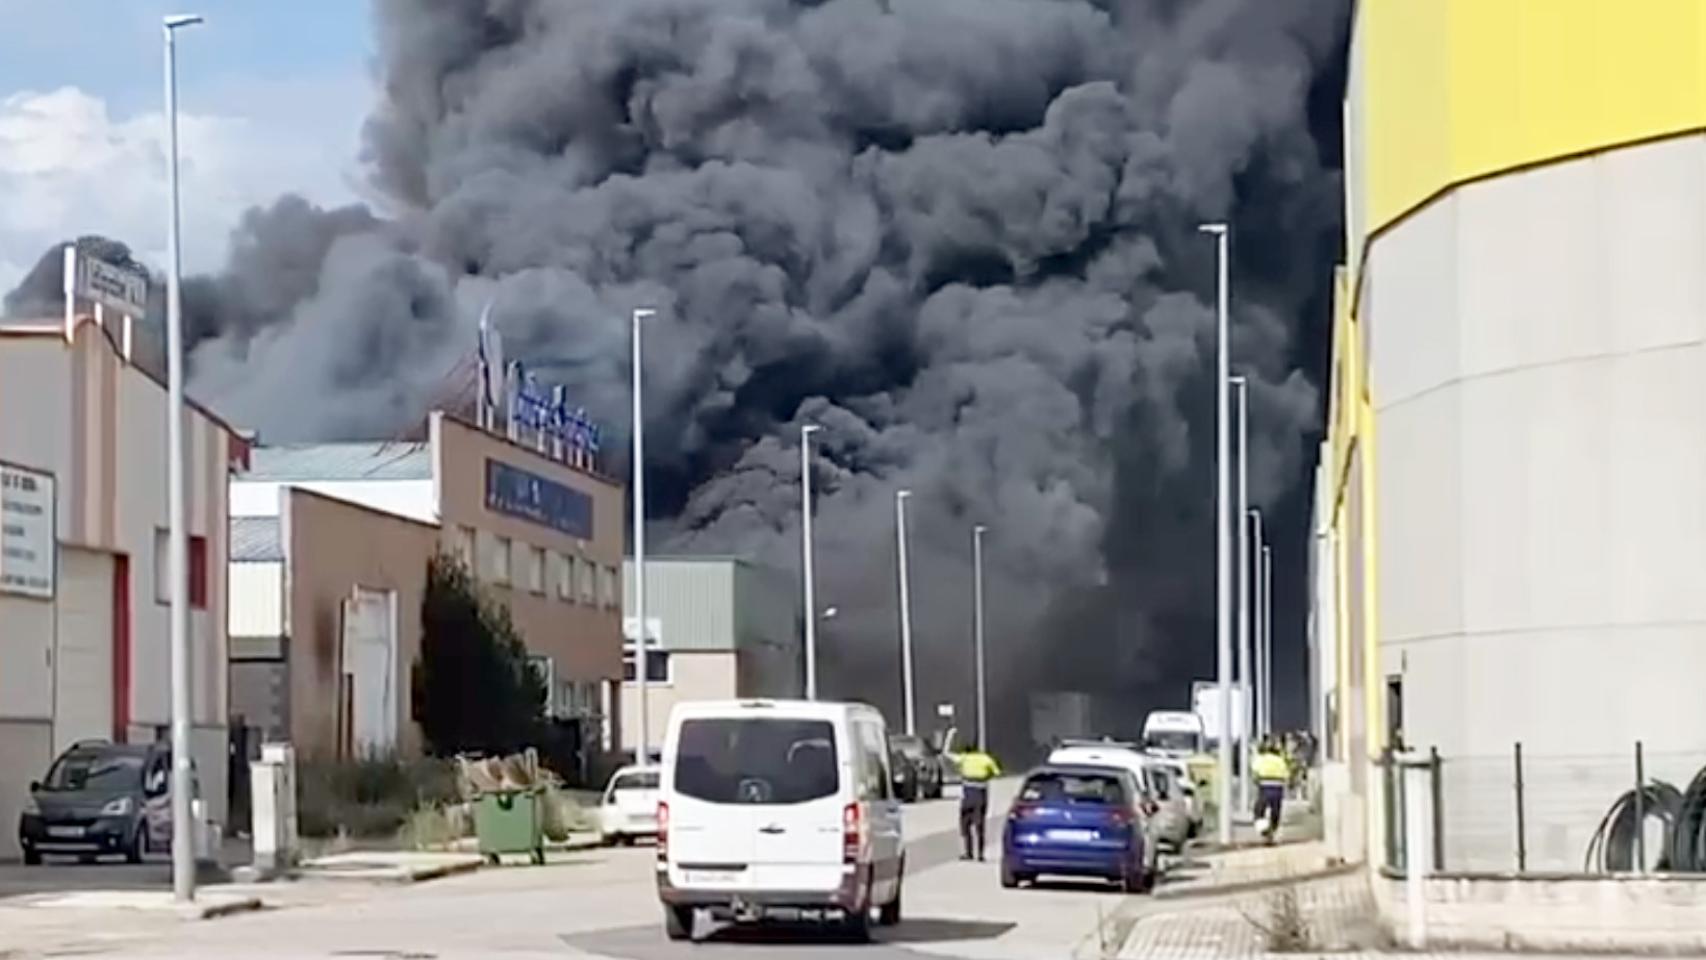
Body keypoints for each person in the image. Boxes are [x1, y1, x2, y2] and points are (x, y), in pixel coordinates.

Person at [957, 747, 1001, 861]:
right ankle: (980, 854)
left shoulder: (964, 758)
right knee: (980, 826)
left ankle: (968, 852)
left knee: (965, 825)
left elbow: (953, 759)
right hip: (980, 795)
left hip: (967, 796)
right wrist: (986, 776)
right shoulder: (986, 759)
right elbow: (997, 772)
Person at [1251, 738, 1290, 844]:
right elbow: (1286, 776)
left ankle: (1265, 832)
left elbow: (1254, 774)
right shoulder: (1280, 760)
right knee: (1276, 812)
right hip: (1278, 788)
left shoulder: (1260, 759)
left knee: (1259, 812)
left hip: (1264, 787)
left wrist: (1257, 783)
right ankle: (1273, 830)